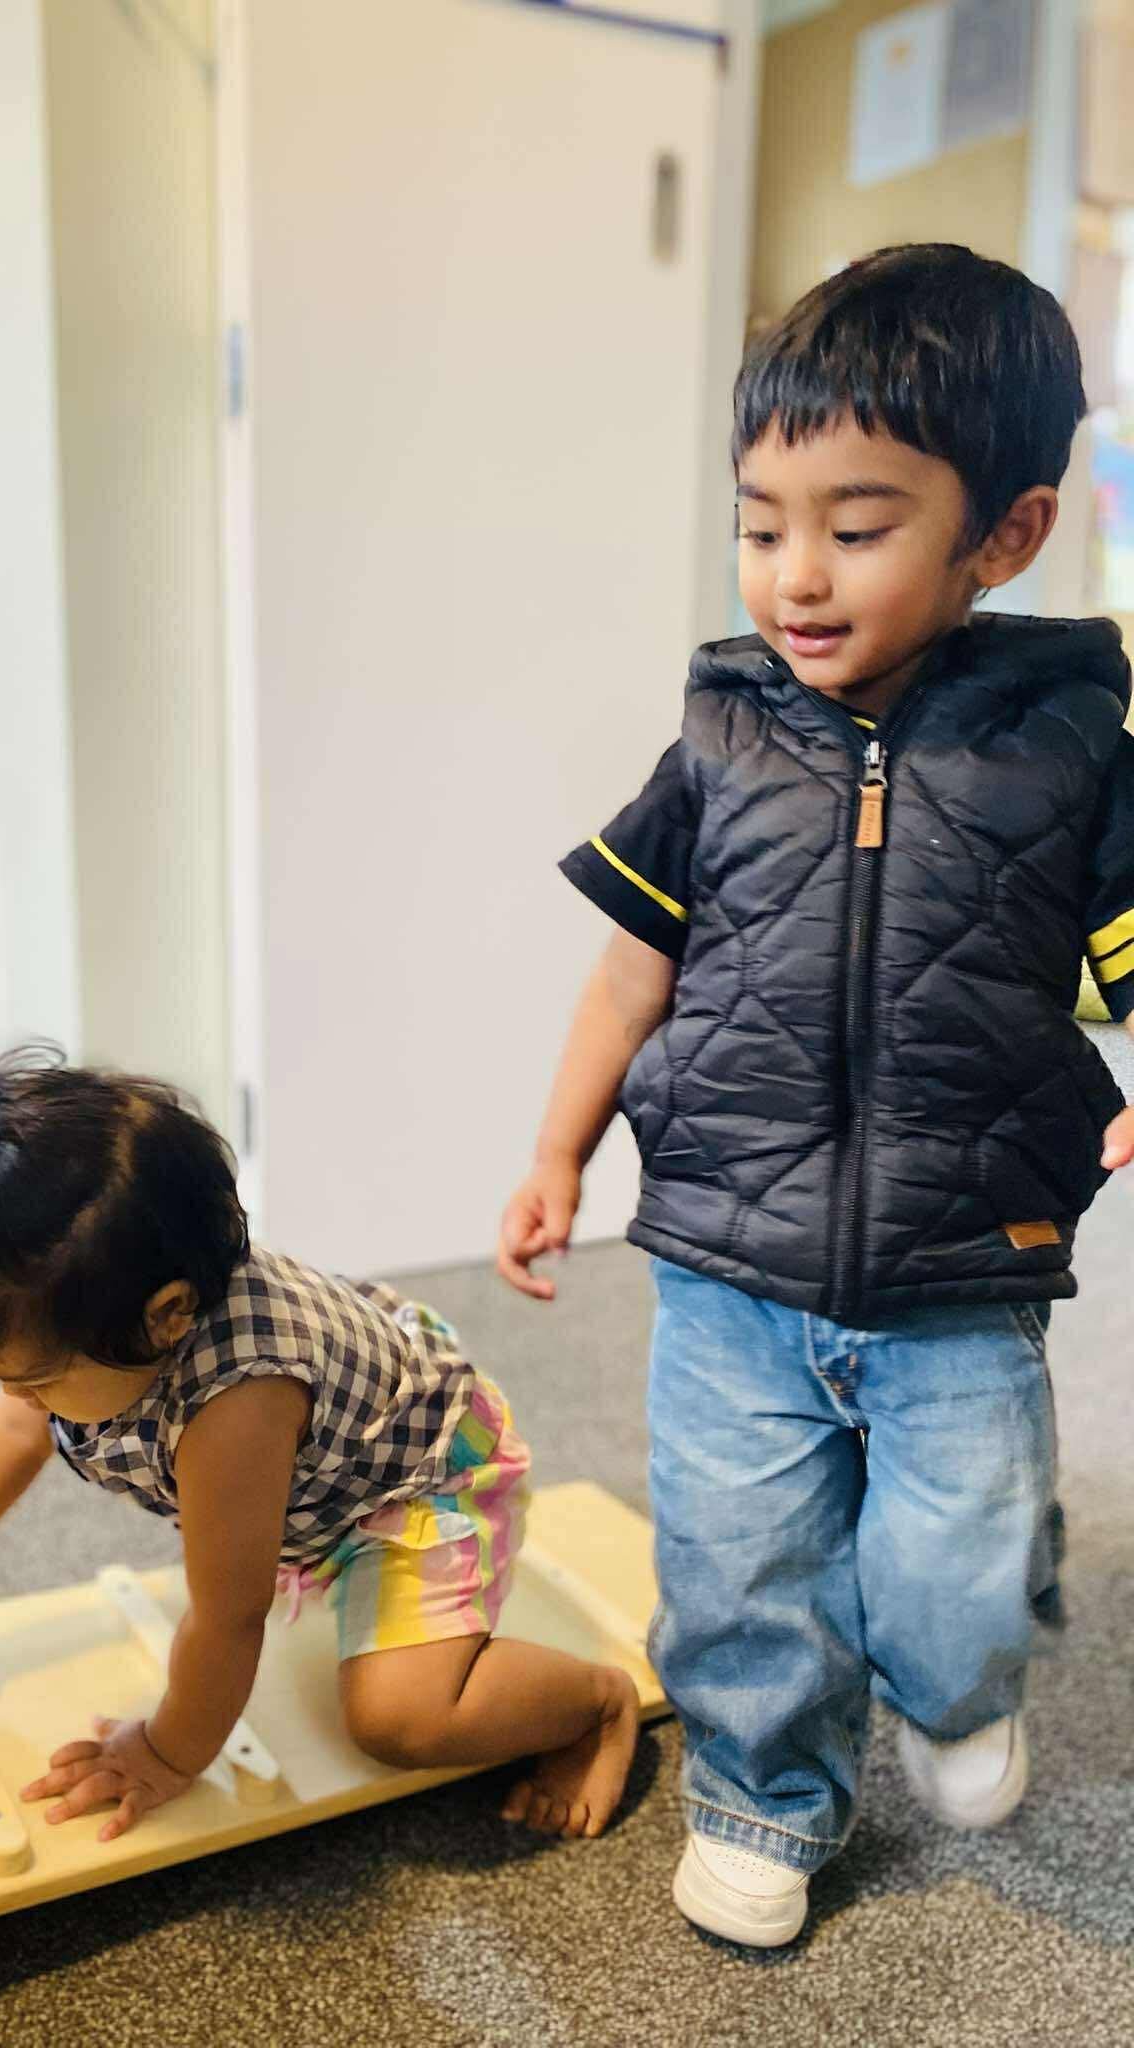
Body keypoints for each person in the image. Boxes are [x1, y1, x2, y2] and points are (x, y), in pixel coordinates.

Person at [498, 244, 1134, 1946]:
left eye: (855, 528)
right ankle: (766, 1797)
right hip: (726, 1246)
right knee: (739, 1558)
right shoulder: (722, 732)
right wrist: (559, 1146)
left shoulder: (1068, 740)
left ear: (1004, 533)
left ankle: (955, 1673)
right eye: (759, 521)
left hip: (963, 1239)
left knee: (958, 1543)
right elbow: (631, 961)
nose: (795, 572)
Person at [0, 1055, 639, 1844]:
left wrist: (166, 1751)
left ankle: (597, 1706)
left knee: (400, 1719)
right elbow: (8, 1436)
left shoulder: (235, 1406)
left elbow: (228, 1617)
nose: (18, 1401)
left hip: (424, 1478)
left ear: (168, 1313)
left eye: (34, 1379)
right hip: (331, 1459)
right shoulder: (113, 1312)